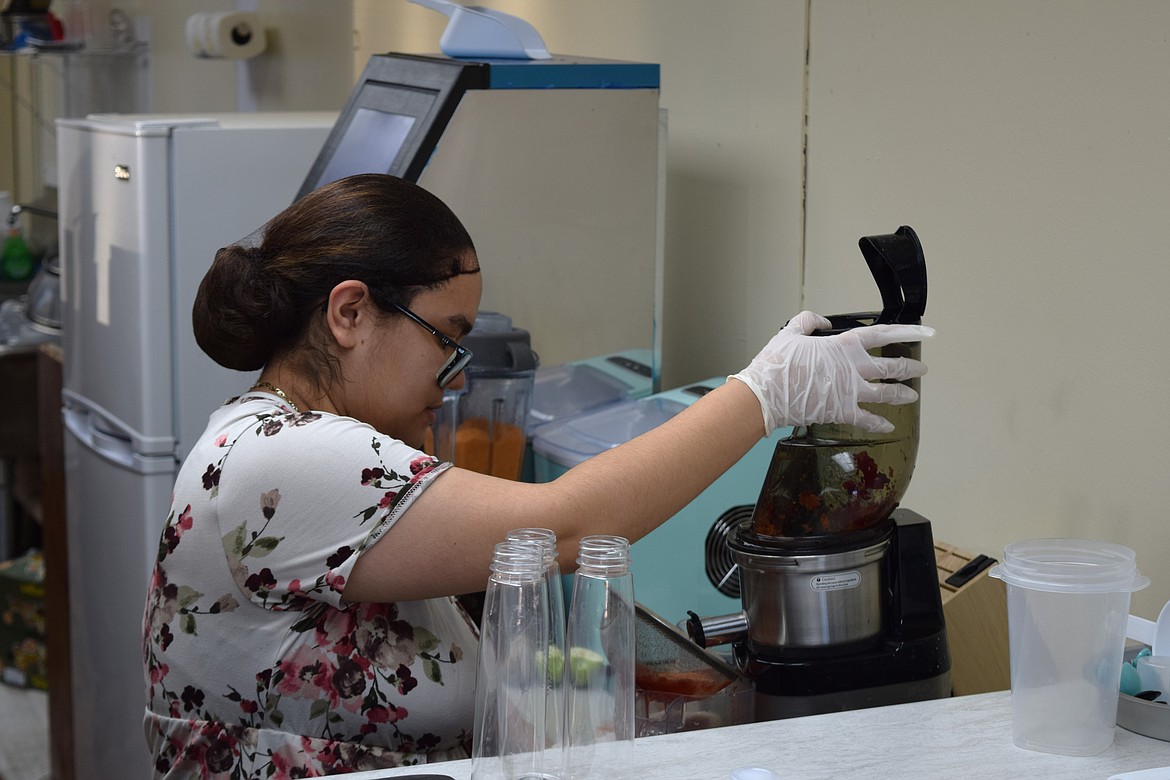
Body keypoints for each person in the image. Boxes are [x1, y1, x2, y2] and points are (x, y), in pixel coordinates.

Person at [141, 173, 933, 777]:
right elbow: (565, 525)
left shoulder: (279, 441)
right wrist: (763, 395)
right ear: (349, 314)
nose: (452, 375)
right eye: (445, 337)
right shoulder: (288, 458)